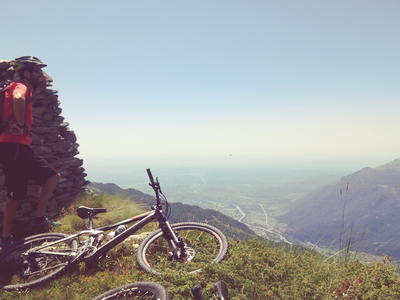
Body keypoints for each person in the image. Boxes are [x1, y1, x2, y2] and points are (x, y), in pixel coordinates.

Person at [0, 56, 61, 249]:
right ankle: (6, 238)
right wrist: (19, 124)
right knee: (16, 194)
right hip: (13, 146)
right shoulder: (20, 85)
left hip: (20, 146)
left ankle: (38, 219)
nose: (40, 75)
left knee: (52, 177)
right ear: (25, 72)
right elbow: (18, 98)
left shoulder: (19, 86)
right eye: (36, 71)